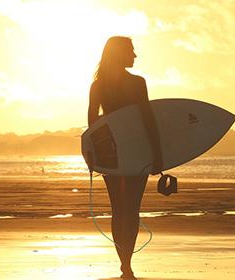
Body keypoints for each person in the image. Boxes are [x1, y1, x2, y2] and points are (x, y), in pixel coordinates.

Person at [88, 36, 163, 280]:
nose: (135, 55)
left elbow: (92, 125)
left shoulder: (98, 86)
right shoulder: (137, 83)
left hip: (112, 154)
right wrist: (158, 154)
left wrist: (95, 155)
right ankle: (127, 263)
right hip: (137, 152)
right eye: (131, 50)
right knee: (131, 209)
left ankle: (125, 263)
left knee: (119, 209)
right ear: (120, 53)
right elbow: (148, 120)